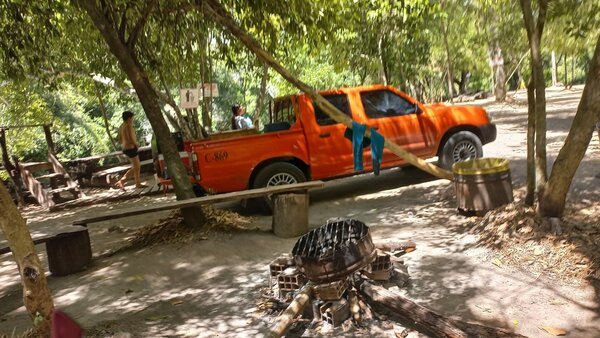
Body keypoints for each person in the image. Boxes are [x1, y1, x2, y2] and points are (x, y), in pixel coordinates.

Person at [115, 111, 144, 190]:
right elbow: (130, 137)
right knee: (137, 166)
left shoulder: (121, 126)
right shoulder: (128, 126)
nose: (133, 119)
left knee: (136, 166)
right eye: (132, 118)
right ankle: (122, 181)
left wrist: (124, 144)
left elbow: (119, 139)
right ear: (129, 118)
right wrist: (135, 144)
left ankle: (138, 183)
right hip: (130, 147)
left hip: (125, 148)